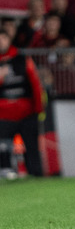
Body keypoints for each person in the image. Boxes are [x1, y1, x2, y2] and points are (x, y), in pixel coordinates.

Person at [0, 29, 45, 178]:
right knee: (3, 144)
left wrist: (39, 109)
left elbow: (35, 84)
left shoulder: (22, 59)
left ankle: (36, 173)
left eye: (3, 38)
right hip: (4, 113)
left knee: (32, 146)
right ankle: (5, 169)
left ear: (9, 39)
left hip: (27, 112)